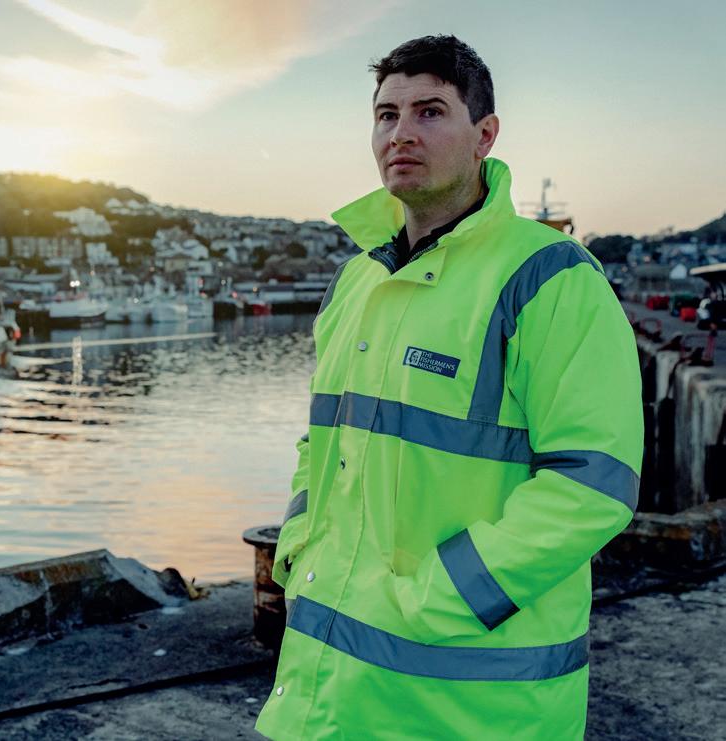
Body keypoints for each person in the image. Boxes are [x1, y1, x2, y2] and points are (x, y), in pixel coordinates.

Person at [255, 35, 642, 740]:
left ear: (484, 136)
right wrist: (299, 549)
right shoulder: (356, 281)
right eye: (386, 115)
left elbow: (593, 483)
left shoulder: (549, 277)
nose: (400, 133)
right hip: (323, 695)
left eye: (429, 111)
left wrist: (438, 598)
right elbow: (323, 443)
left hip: (469, 707)